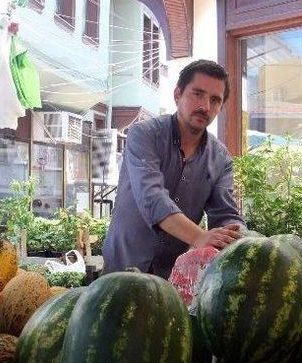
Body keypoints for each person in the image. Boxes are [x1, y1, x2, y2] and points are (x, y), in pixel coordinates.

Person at [103, 59, 245, 279]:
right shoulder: (144, 135)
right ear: (178, 94)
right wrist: (199, 236)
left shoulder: (221, 158)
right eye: (197, 94)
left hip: (172, 277)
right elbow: (152, 198)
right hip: (121, 269)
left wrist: (246, 241)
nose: (205, 106)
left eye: (215, 100)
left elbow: (225, 214)